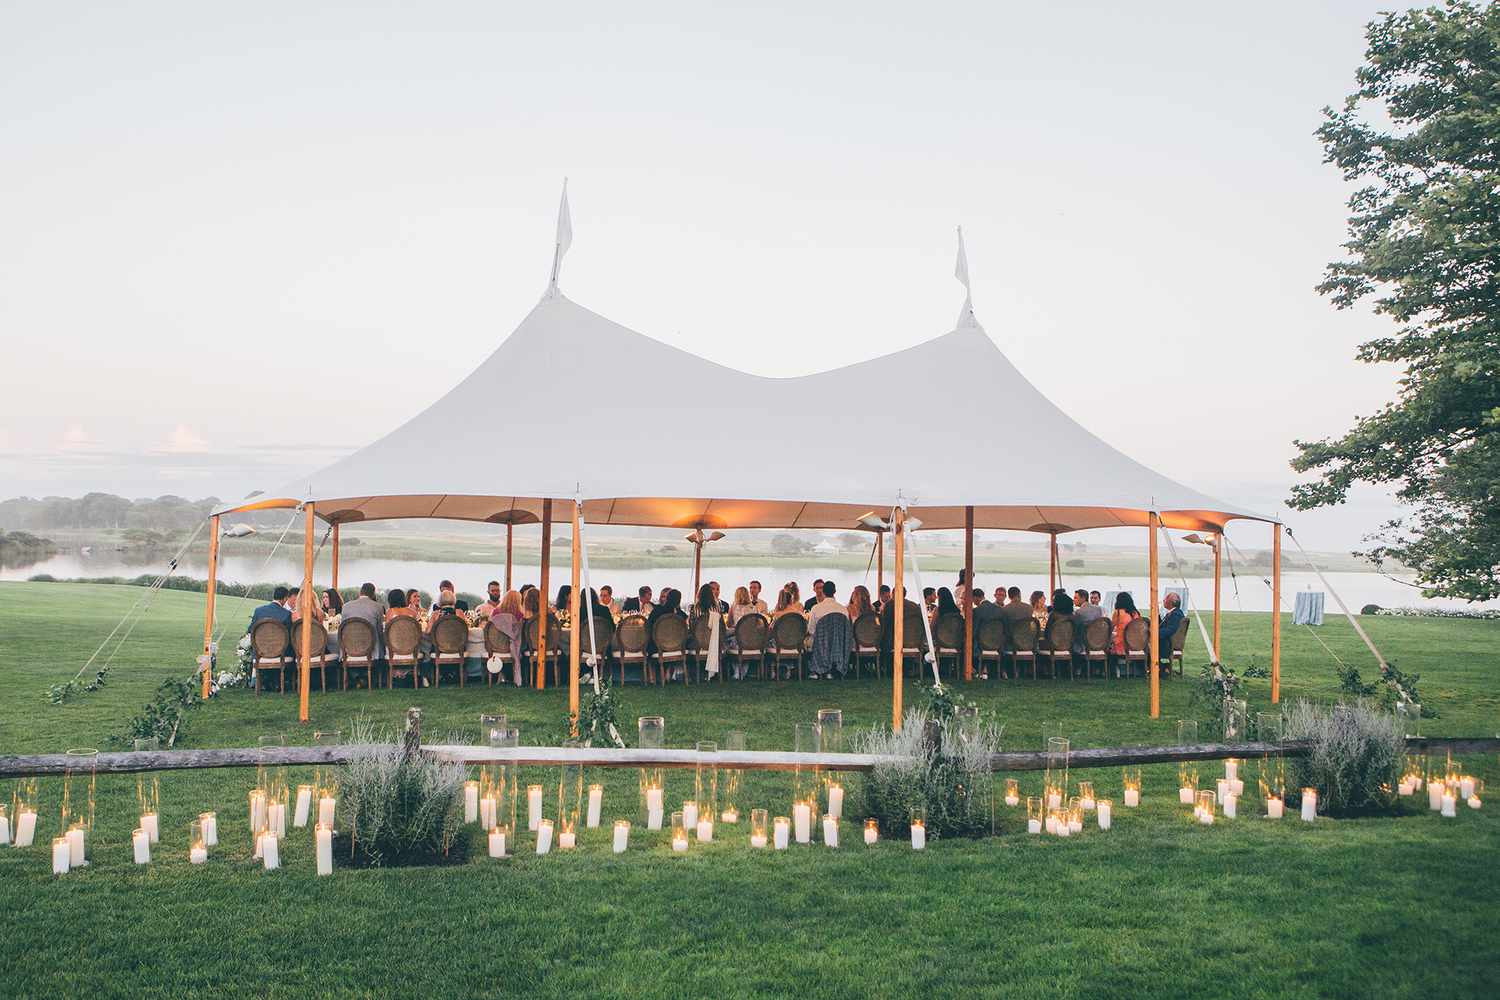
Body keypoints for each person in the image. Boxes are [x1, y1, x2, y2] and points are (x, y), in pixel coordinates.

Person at [645, 587, 686, 681]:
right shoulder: (681, 615)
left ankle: (651, 676)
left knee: (647, 643)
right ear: (679, 601)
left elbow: (648, 626)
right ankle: (668, 672)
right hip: (676, 646)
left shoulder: (657, 610)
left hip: (658, 646)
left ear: (667, 598)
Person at [342, 583, 386, 663]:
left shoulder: (346, 606)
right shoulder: (378, 607)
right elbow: (379, 631)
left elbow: (342, 630)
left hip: (350, 649)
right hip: (371, 650)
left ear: (360, 592)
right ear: (373, 594)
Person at [689, 584, 724, 679]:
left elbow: (692, 628)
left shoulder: (694, 608)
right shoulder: (717, 608)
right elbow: (722, 627)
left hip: (698, 644)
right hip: (714, 643)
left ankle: (694, 673)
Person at [972, 587, 1005, 679]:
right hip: (997, 644)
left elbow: (974, 631)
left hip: (980, 645)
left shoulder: (976, 611)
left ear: (976, 598)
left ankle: (973, 670)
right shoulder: (999, 610)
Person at [1110, 592, 1141, 675]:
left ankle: (1111, 671)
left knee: (1108, 644)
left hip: (1122, 644)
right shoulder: (1135, 613)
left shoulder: (1118, 612)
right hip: (1135, 644)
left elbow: (1111, 627)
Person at [1071, 587, 1104, 655]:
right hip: (1098, 643)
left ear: (1083, 598)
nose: (1073, 600)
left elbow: (1074, 629)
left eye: (1075, 598)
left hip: (1084, 645)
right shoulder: (1098, 609)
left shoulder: (1079, 612)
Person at [1157, 592, 1185, 672]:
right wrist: (1157, 614)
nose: (1163, 600)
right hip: (1166, 642)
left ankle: (1162, 668)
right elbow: (1162, 625)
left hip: (1167, 645)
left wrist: (1154, 634)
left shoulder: (1176, 614)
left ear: (1171, 602)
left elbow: (1170, 630)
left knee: (1146, 645)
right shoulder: (1173, 612)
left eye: (1165, 599)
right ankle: (1162, 667)